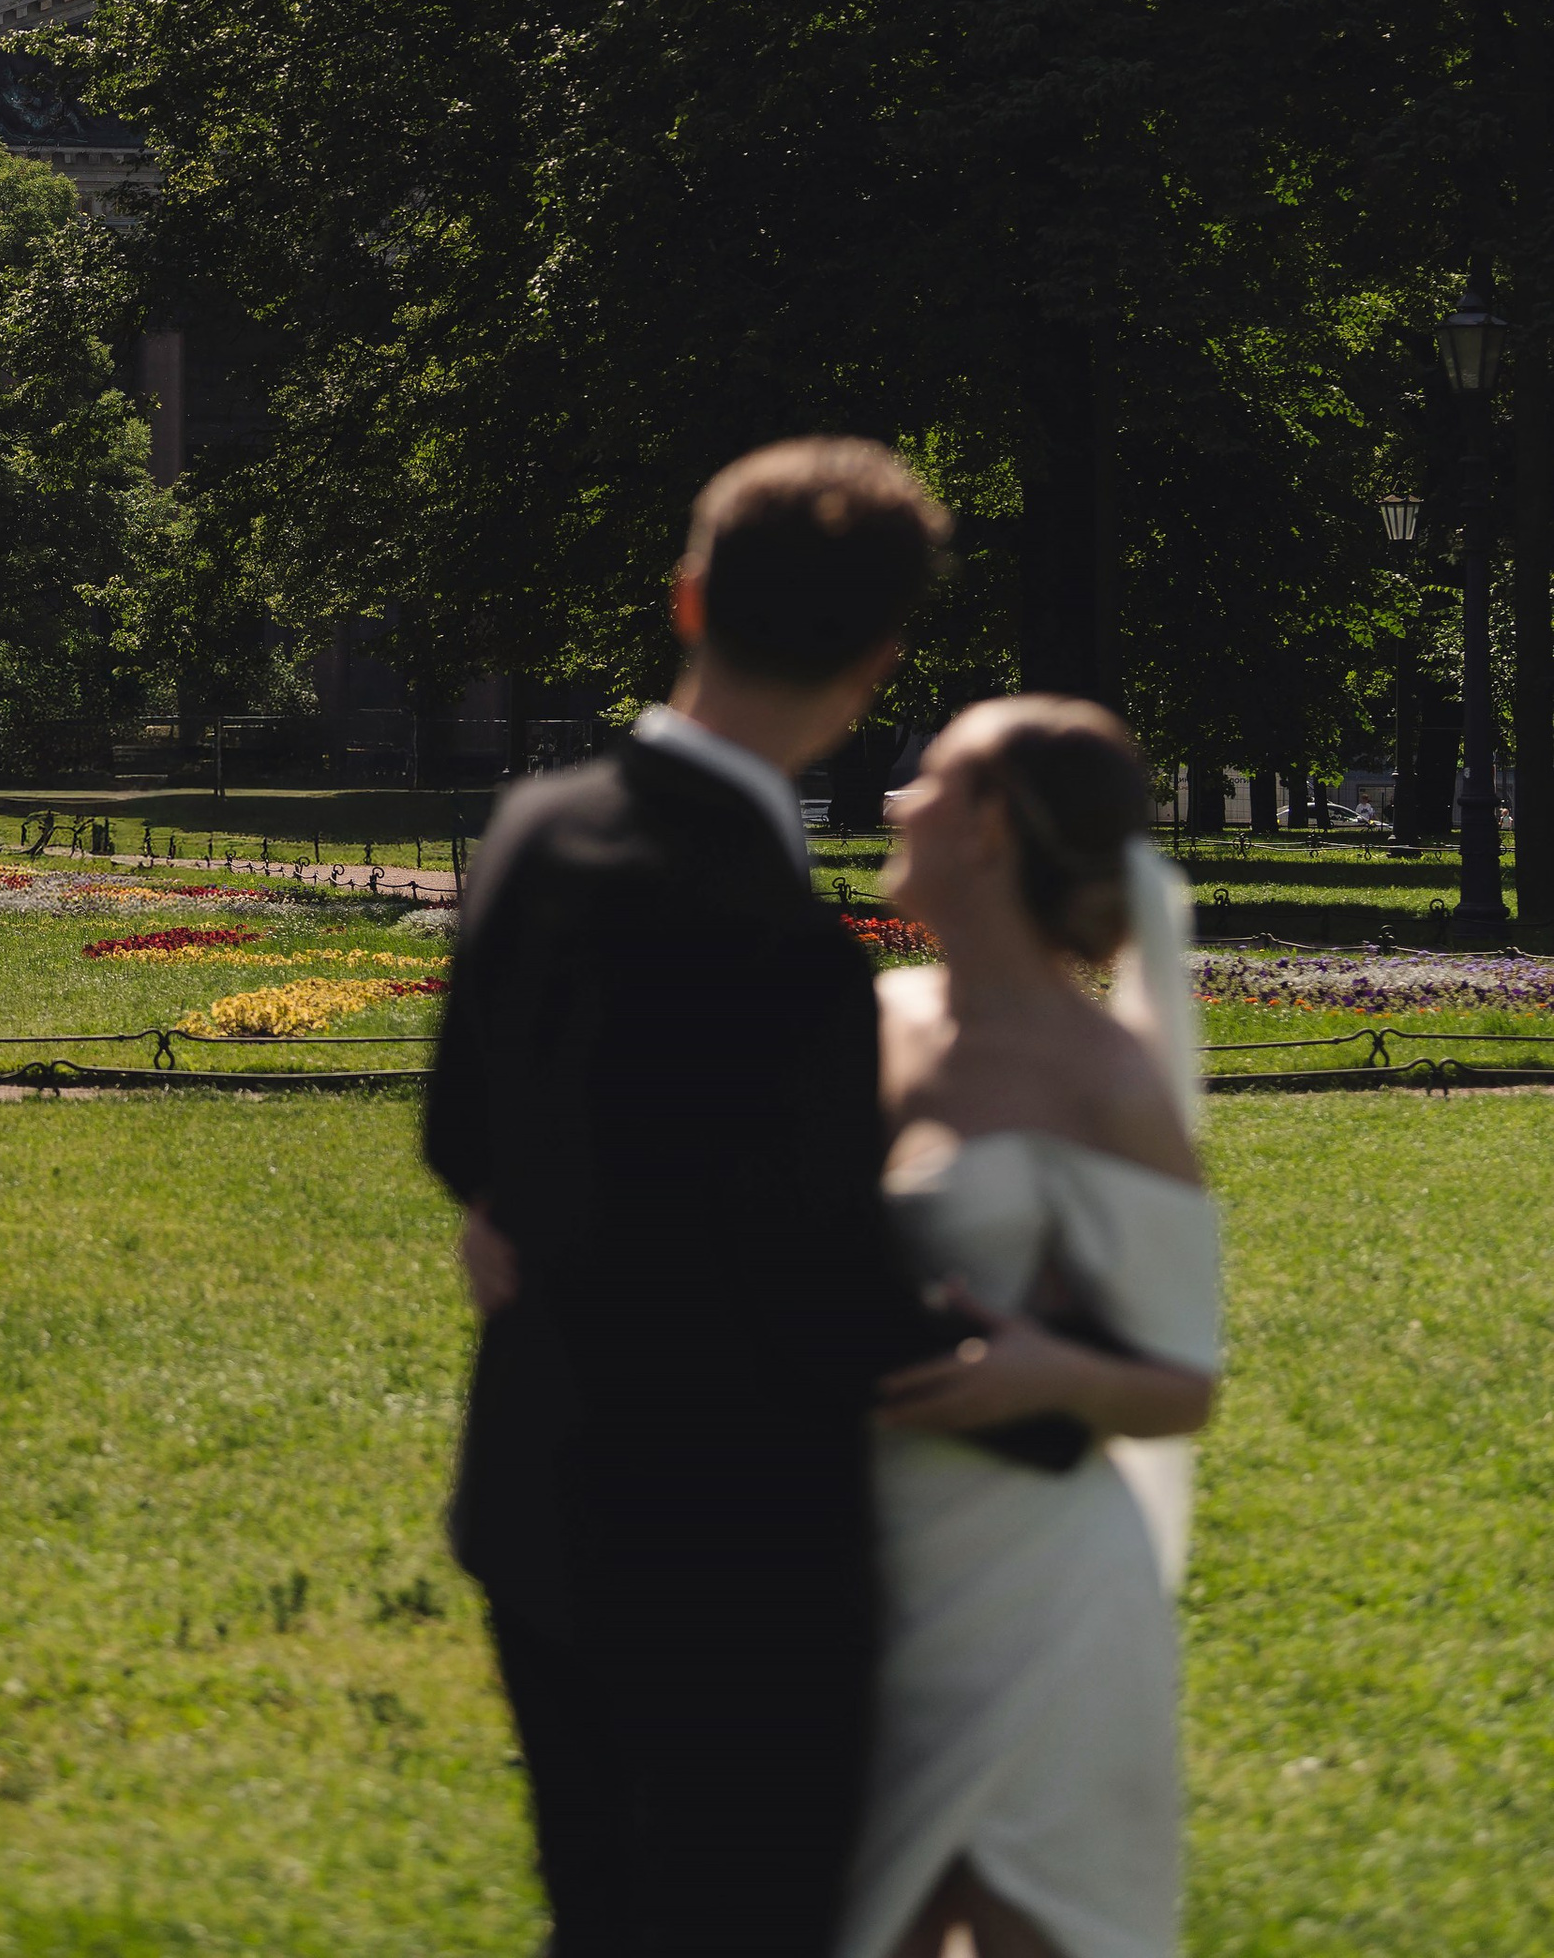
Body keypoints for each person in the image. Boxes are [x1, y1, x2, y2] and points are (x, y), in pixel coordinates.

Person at [424, 439, 953, 1958]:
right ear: (878, 659)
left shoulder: (533, 830)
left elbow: (463, 1133)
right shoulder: (790, 956)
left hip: (539, 1490)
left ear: (689, 598)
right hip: (735, 1556)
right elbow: (812, 1284)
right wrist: (1026, 1374)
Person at [840, 700, 1221, 1958]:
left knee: (1027, 1929)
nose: (898, 799)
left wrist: (1044, 1372)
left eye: (929, 779)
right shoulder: (870, 1017)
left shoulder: (1102, 1080)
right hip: (863, 1562)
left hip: (1039, 1590)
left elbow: (1183, 1384)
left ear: (991, 827)